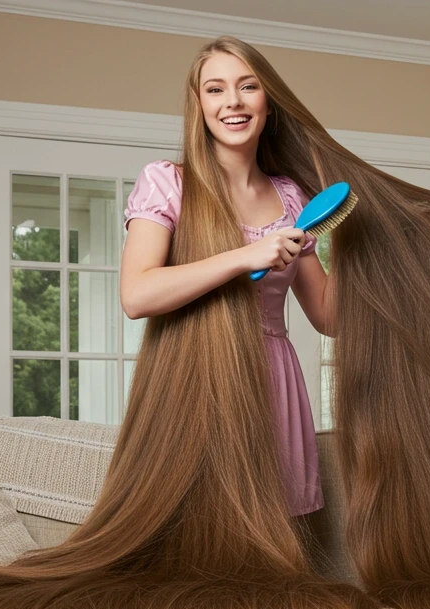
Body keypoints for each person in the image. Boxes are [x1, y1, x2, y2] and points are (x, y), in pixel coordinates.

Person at [120, 46, 329, 517]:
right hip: (196, 372)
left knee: (280, 533)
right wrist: (244, 256)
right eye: (216, 89)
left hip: (273, 380)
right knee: (202, 532)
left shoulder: (292, 196)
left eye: (247, 86)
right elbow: (136, 295)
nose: (232, 101)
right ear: (199, 105)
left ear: (267, 103)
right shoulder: (167, 182)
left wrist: (373, 253)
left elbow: (328, 315)